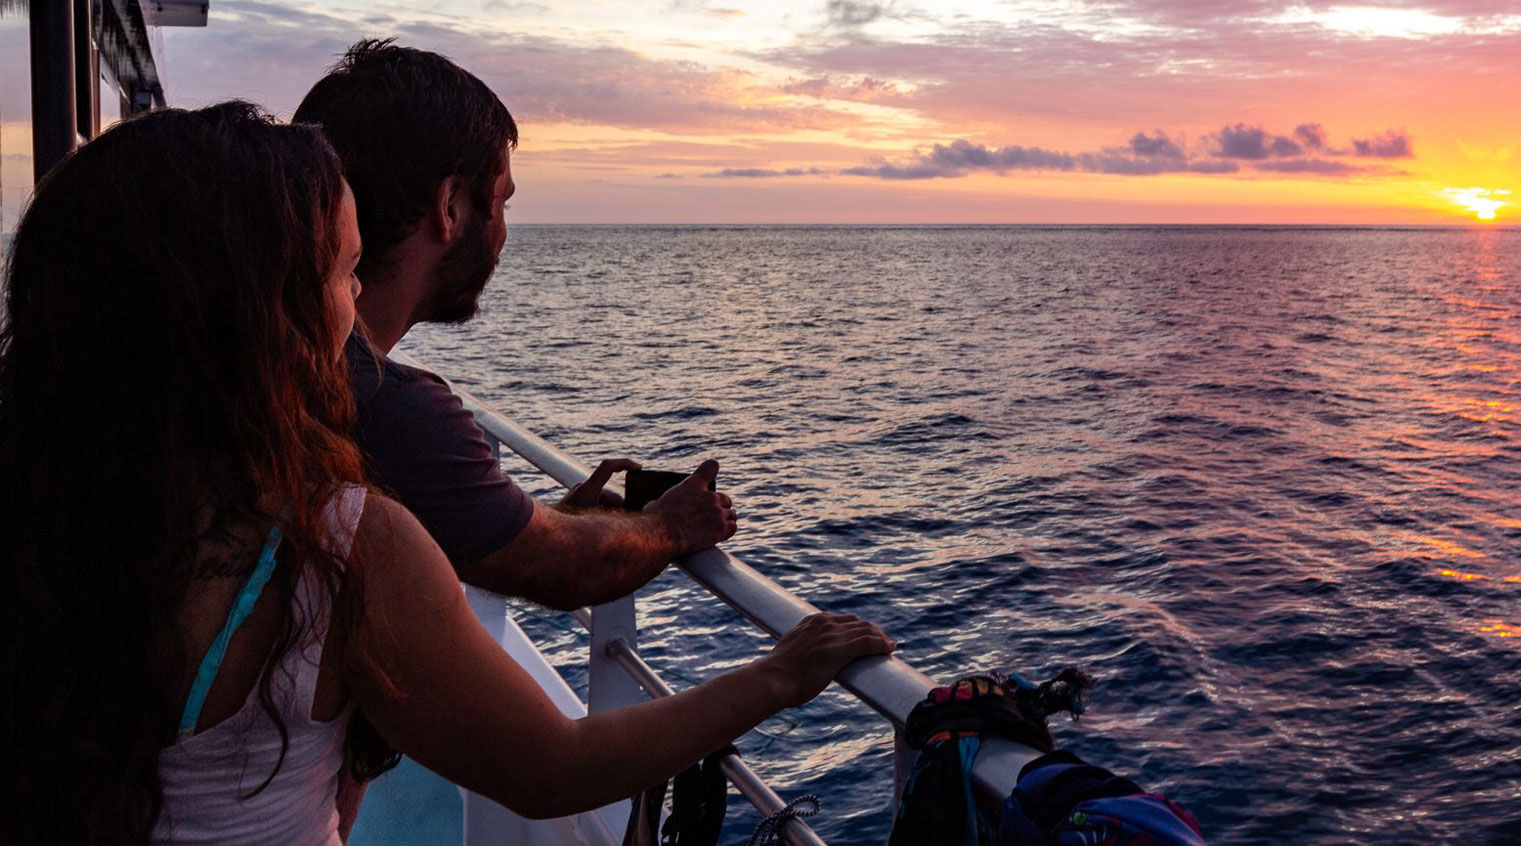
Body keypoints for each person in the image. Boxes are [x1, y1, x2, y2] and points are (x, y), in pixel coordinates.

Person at [0, 103, 892, 843]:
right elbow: (551, 769)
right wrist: (778, 676)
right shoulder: (338, 546)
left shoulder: (42, 506)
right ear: (263, 320)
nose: (354, 311)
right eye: (343, 275)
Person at [293, 41, 719, 611]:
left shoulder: (271, 359)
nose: (503, 236)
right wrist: (670, 526)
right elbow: (560, 567)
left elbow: (492, 541)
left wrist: (548, 521)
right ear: (450, 208)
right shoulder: (384, 405)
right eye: (504, 203)